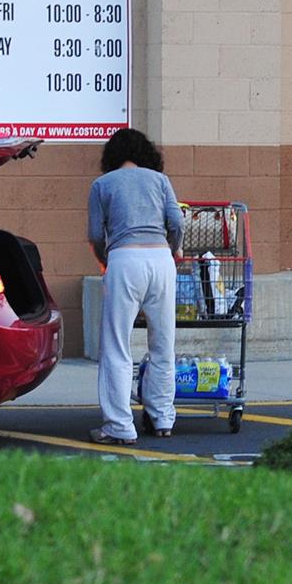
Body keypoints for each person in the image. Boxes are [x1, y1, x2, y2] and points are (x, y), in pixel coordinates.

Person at [87, 127, 184, 445]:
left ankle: (119, 425)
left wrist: (105, 260)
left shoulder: (102, 184)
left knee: (116, 345)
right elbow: (177, 222)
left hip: (124, 259)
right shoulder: (160, 181)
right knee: (163, 343)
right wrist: (173, 249)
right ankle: (163, 417)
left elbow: (95, 234)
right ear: (146, 153)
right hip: (161, 260)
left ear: (112, 155)